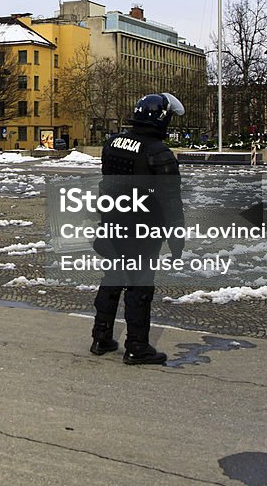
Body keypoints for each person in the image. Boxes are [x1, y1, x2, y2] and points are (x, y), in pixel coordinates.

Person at [90, 92, 185, 365]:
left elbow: (108, 184)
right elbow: (171, 200)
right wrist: (176, 234)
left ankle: (100, 337)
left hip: (112, 224)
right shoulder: (159, 152)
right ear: (161, 119)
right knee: (140, 287)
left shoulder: (113, 142)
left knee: (112, 279)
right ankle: (137, 346)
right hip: (143, 229)